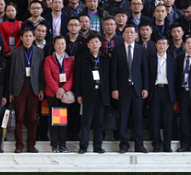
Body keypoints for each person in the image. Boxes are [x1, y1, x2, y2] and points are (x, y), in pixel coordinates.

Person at [111, 25, 149, 153]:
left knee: (138, 117)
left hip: (137, 89)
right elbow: (113, 72)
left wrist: (145, 87)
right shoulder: (117, 50)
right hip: (122, 89)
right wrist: (114, 88)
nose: (129, 34)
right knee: (123, 117)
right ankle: (123, 144)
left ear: (136, 35)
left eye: (132, 32)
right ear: (123, 35)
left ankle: (139, 144)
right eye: (127, 32)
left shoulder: (141, 49)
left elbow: (145, 70)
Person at [9, 28, 44, 153]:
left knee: (33, 118)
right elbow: (11, 72)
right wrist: (11, 91)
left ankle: (31, 145)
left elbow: (41, 72)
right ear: (21, 38)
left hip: (34, 89)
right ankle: (19, 145)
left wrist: (41, 89)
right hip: (20, 89)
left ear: (34, 38)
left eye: (30, 36)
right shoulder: (16, 52)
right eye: (26, 36)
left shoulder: (40, 52)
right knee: (19, 117)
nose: (28, 38)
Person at [75, 33, 110, 154]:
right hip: (87, 93)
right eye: (92, 42)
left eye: (97, 42)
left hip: (101, 94)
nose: (95, 44)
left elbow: (109, 79)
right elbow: (77, 77)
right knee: (86, 121)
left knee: (99, 122)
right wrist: (79, 94)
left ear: (100, 44)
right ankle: (83, 146)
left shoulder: (106, 59)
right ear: (88, 45)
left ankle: (98, 146)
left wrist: (107, 97)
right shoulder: (81, 58)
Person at [43, 36, 75, 153]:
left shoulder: (70, 60)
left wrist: (64, 89)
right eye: (58, 44)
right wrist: (57, 90)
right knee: (54, 120)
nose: (60, 46)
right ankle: (54, 144)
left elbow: (72, 76)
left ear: (65, 45)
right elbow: (48, 76)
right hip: (53, 94)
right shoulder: (48, 59)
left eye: (63, 43)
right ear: (54, 46)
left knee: (63, 121)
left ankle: (62, 144)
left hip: (65, 95)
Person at [148, 36, 177, 152]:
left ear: (167, 46)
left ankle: (167, 145)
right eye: (159, 43)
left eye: (164, 43)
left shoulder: (172, 60)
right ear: (156, 45)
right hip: (154, 91)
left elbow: (176, 78)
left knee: (168, 121)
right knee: (154, 119)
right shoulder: (150, 60)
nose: (161, 45)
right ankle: (156, 144)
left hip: (167, 91)